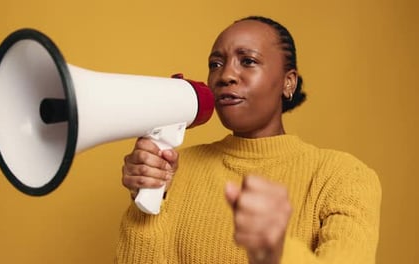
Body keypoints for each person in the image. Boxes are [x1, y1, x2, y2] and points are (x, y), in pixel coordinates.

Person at [115, 15, 382, 264]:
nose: (225, 76)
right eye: (215, 64)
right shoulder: (175, 168)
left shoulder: (342, 177)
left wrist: (276, 250)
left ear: (288, 82)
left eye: (248, 61)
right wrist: (147, 203)